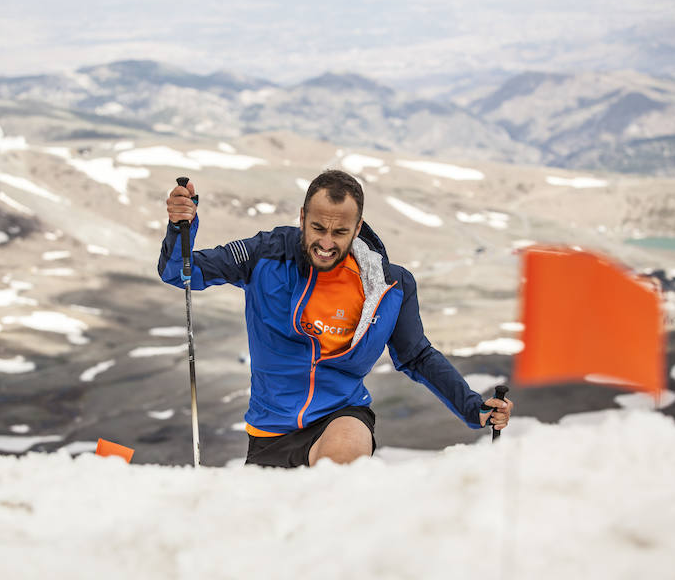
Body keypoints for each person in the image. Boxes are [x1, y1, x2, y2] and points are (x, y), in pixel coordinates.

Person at [159, 170, 513, 467]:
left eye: (340, 232)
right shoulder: (265, 253)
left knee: (341, 462)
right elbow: (182, 273)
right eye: (317, 228)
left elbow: (416, 355)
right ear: (302, 219)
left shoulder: (389, 285)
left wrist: (473, 407)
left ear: (358, 228)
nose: (326, 243)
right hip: (268, 434)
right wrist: (180, 228)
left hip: (341, 417)